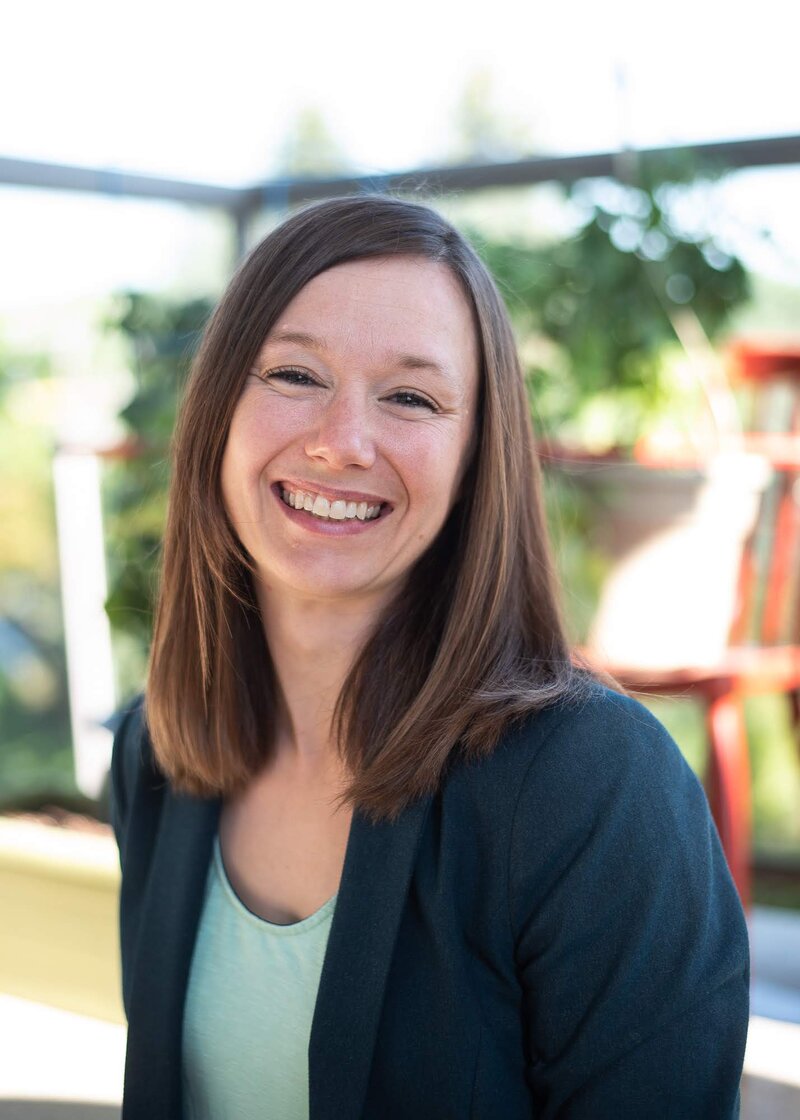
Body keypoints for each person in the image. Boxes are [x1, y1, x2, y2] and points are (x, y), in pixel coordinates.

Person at [110, 195, 749, 1120]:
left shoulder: (599, 788)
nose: (341, 441)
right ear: (218, 409)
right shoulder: (156, 756)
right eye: (294, 374)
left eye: (410, 396)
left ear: (475, 456)